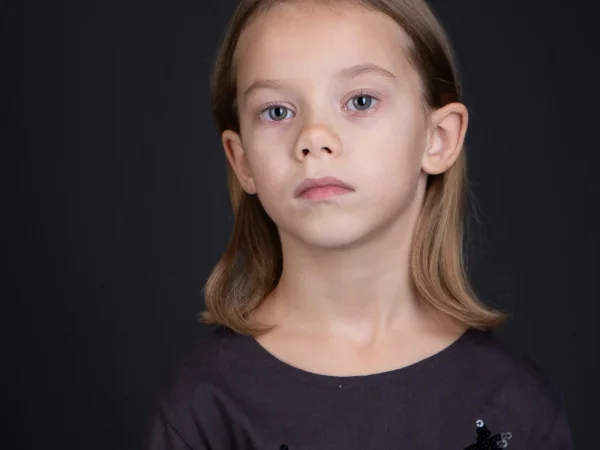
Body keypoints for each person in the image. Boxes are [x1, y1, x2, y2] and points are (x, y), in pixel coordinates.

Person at [146, 0, 574, 448]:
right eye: (277, 111)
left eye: (360, 101)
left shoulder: (518, 406)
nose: (314, 137)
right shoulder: (201, 407)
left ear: (438, 138)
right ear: (242, 161)